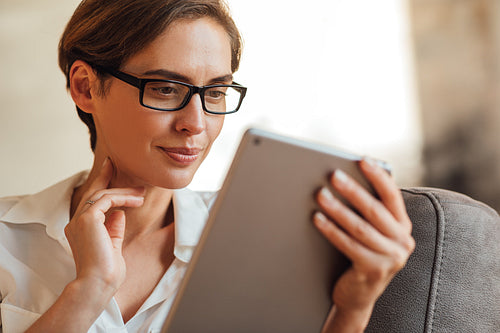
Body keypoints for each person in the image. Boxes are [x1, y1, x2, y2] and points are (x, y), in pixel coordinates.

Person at [0, 0, 415, 332]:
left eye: (215, 92)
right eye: (165, 88)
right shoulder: (6, 238)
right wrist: (88, 290)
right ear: (85, 87)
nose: (195, 124)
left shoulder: (258, 242)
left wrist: (353, 307)